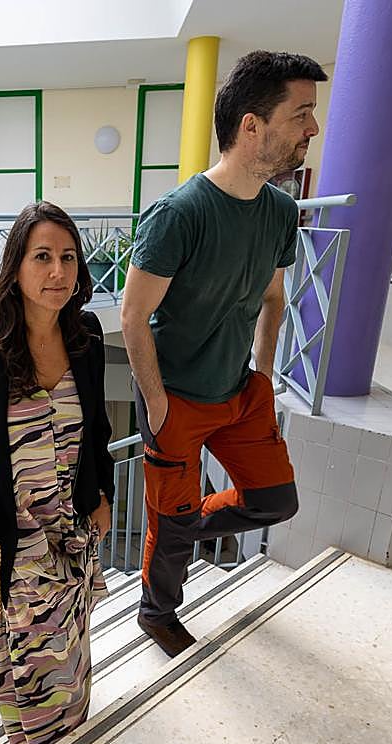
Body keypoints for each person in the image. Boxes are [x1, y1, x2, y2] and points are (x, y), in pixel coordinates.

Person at [121, 50, 324, 657]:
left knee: (274, 501)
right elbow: (132, 316)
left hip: (239, 392)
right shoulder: (179, 215)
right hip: (175, 397)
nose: (312, 129)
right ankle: (156, 611)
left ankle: (178, 524)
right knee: (174, 520)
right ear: (251, 126)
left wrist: (262, 375)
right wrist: (155, 402)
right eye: (302, 114)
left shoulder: (281, 212)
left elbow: (272, 296)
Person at [0, 201, 115, 744]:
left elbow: (99, 424)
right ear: (15, 266)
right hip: (13, 526)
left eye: (68, 257)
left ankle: (69, 721)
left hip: (72, 517)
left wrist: (103, 491)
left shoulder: (87, 335)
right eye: (42, 258)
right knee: (31, 639)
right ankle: (41, 740)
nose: (58, 272)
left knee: (72, 631)